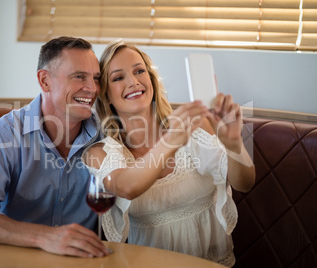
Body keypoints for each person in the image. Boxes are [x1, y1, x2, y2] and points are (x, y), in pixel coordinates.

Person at [82, 40, 255, 266]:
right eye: (118, 78)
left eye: (139, 71)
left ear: (151, 79)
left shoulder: (199, 123)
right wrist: (170, 141)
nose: (133, 82)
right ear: (106, 95)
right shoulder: (100, 153)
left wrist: (233, 144)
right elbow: (127, 187)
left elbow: (245, 183)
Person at [0, 36, 110, 258]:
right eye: (79, 76)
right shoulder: (7, 132)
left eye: (96, 78)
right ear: (45, 81)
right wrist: (45, 237)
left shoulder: (107, 135)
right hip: (13, 260)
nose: (92, 88)